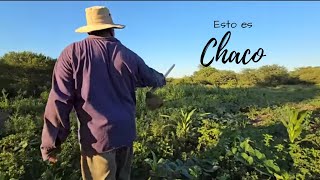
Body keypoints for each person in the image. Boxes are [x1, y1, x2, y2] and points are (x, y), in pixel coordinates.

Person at [40, 6, 166, 180]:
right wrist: (161, 79)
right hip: (126, 134)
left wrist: (51, 144)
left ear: (89, 28)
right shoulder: (129, 55)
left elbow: (59, 101)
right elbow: (152, 77)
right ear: (112, 29)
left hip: (97, 141)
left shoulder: (72, 54)